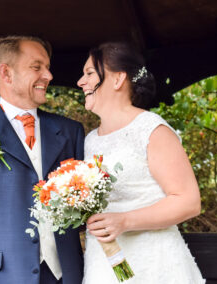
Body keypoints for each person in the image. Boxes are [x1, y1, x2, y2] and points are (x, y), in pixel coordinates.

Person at [0, 35, 84, 284]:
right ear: (6, 74)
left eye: (48, 67)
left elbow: (85, 211)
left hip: (66, 276)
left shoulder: (70, 132)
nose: (49, 75)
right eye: (37, 67)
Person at [77, 42, 205, 283]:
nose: (80, 82)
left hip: (154, 265)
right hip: (106, 265)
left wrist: (125, 221)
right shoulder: (90, 140)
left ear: (117, 79)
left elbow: (189, 202)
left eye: (89, 74)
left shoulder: (151, 129)